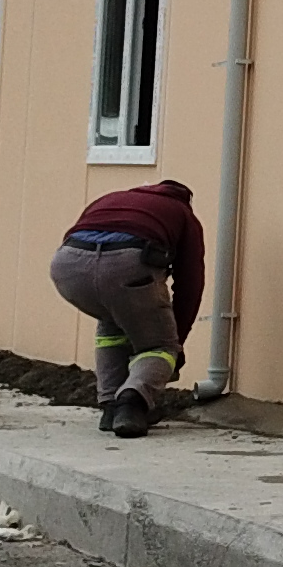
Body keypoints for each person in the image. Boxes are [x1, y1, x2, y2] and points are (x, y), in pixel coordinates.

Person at [52, 176, 208, 439]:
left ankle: (110, 406)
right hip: (127, 265)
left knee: (112, 320)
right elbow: (190, 285)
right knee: (160, 347)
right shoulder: (183, 214)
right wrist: (176, 342)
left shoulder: (111, 198)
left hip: (68, 266)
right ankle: (132, 403)